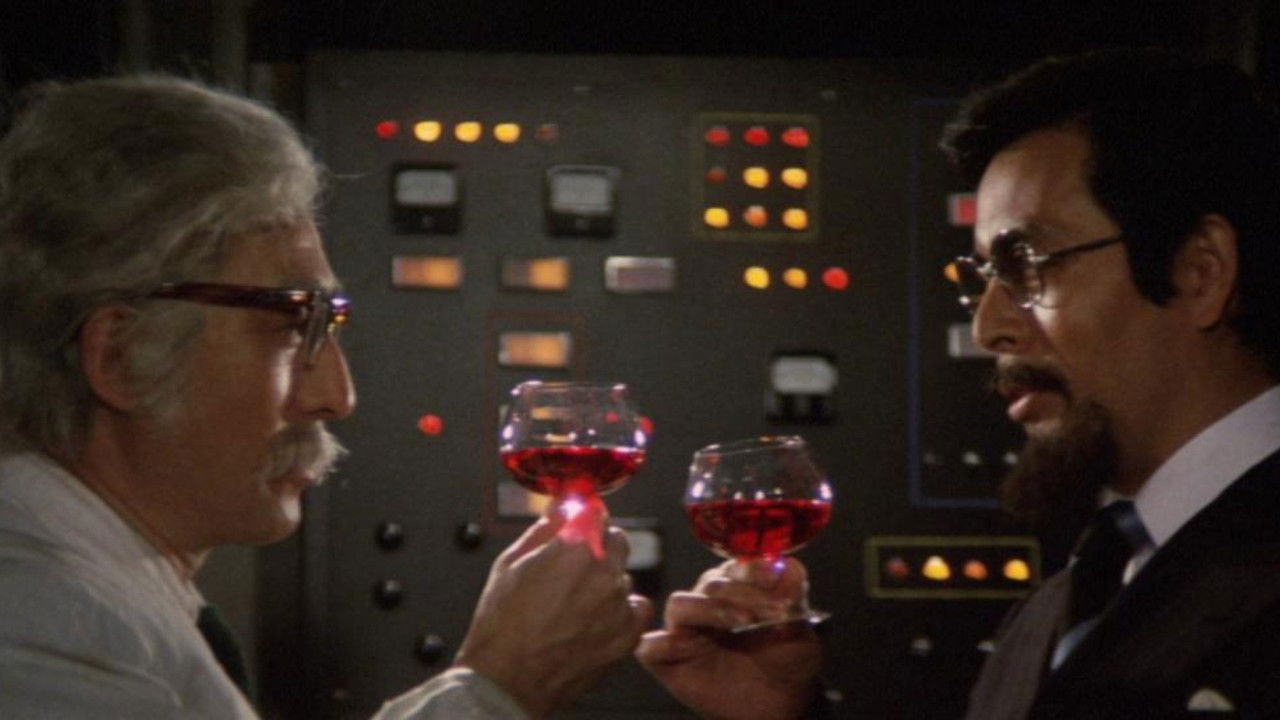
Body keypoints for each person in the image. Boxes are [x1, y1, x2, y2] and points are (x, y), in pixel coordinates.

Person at [637, 48, 1280, 718]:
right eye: (985, 277)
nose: (987, 329)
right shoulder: (1061, 605)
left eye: (1027, 264)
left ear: (1199, 273)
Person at [0, 74, 651, 719]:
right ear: (119, 355)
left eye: (329, 326)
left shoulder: (102, 597)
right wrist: (499, 688)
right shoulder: (41, 619)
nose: (337, 397)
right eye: (293, 325)